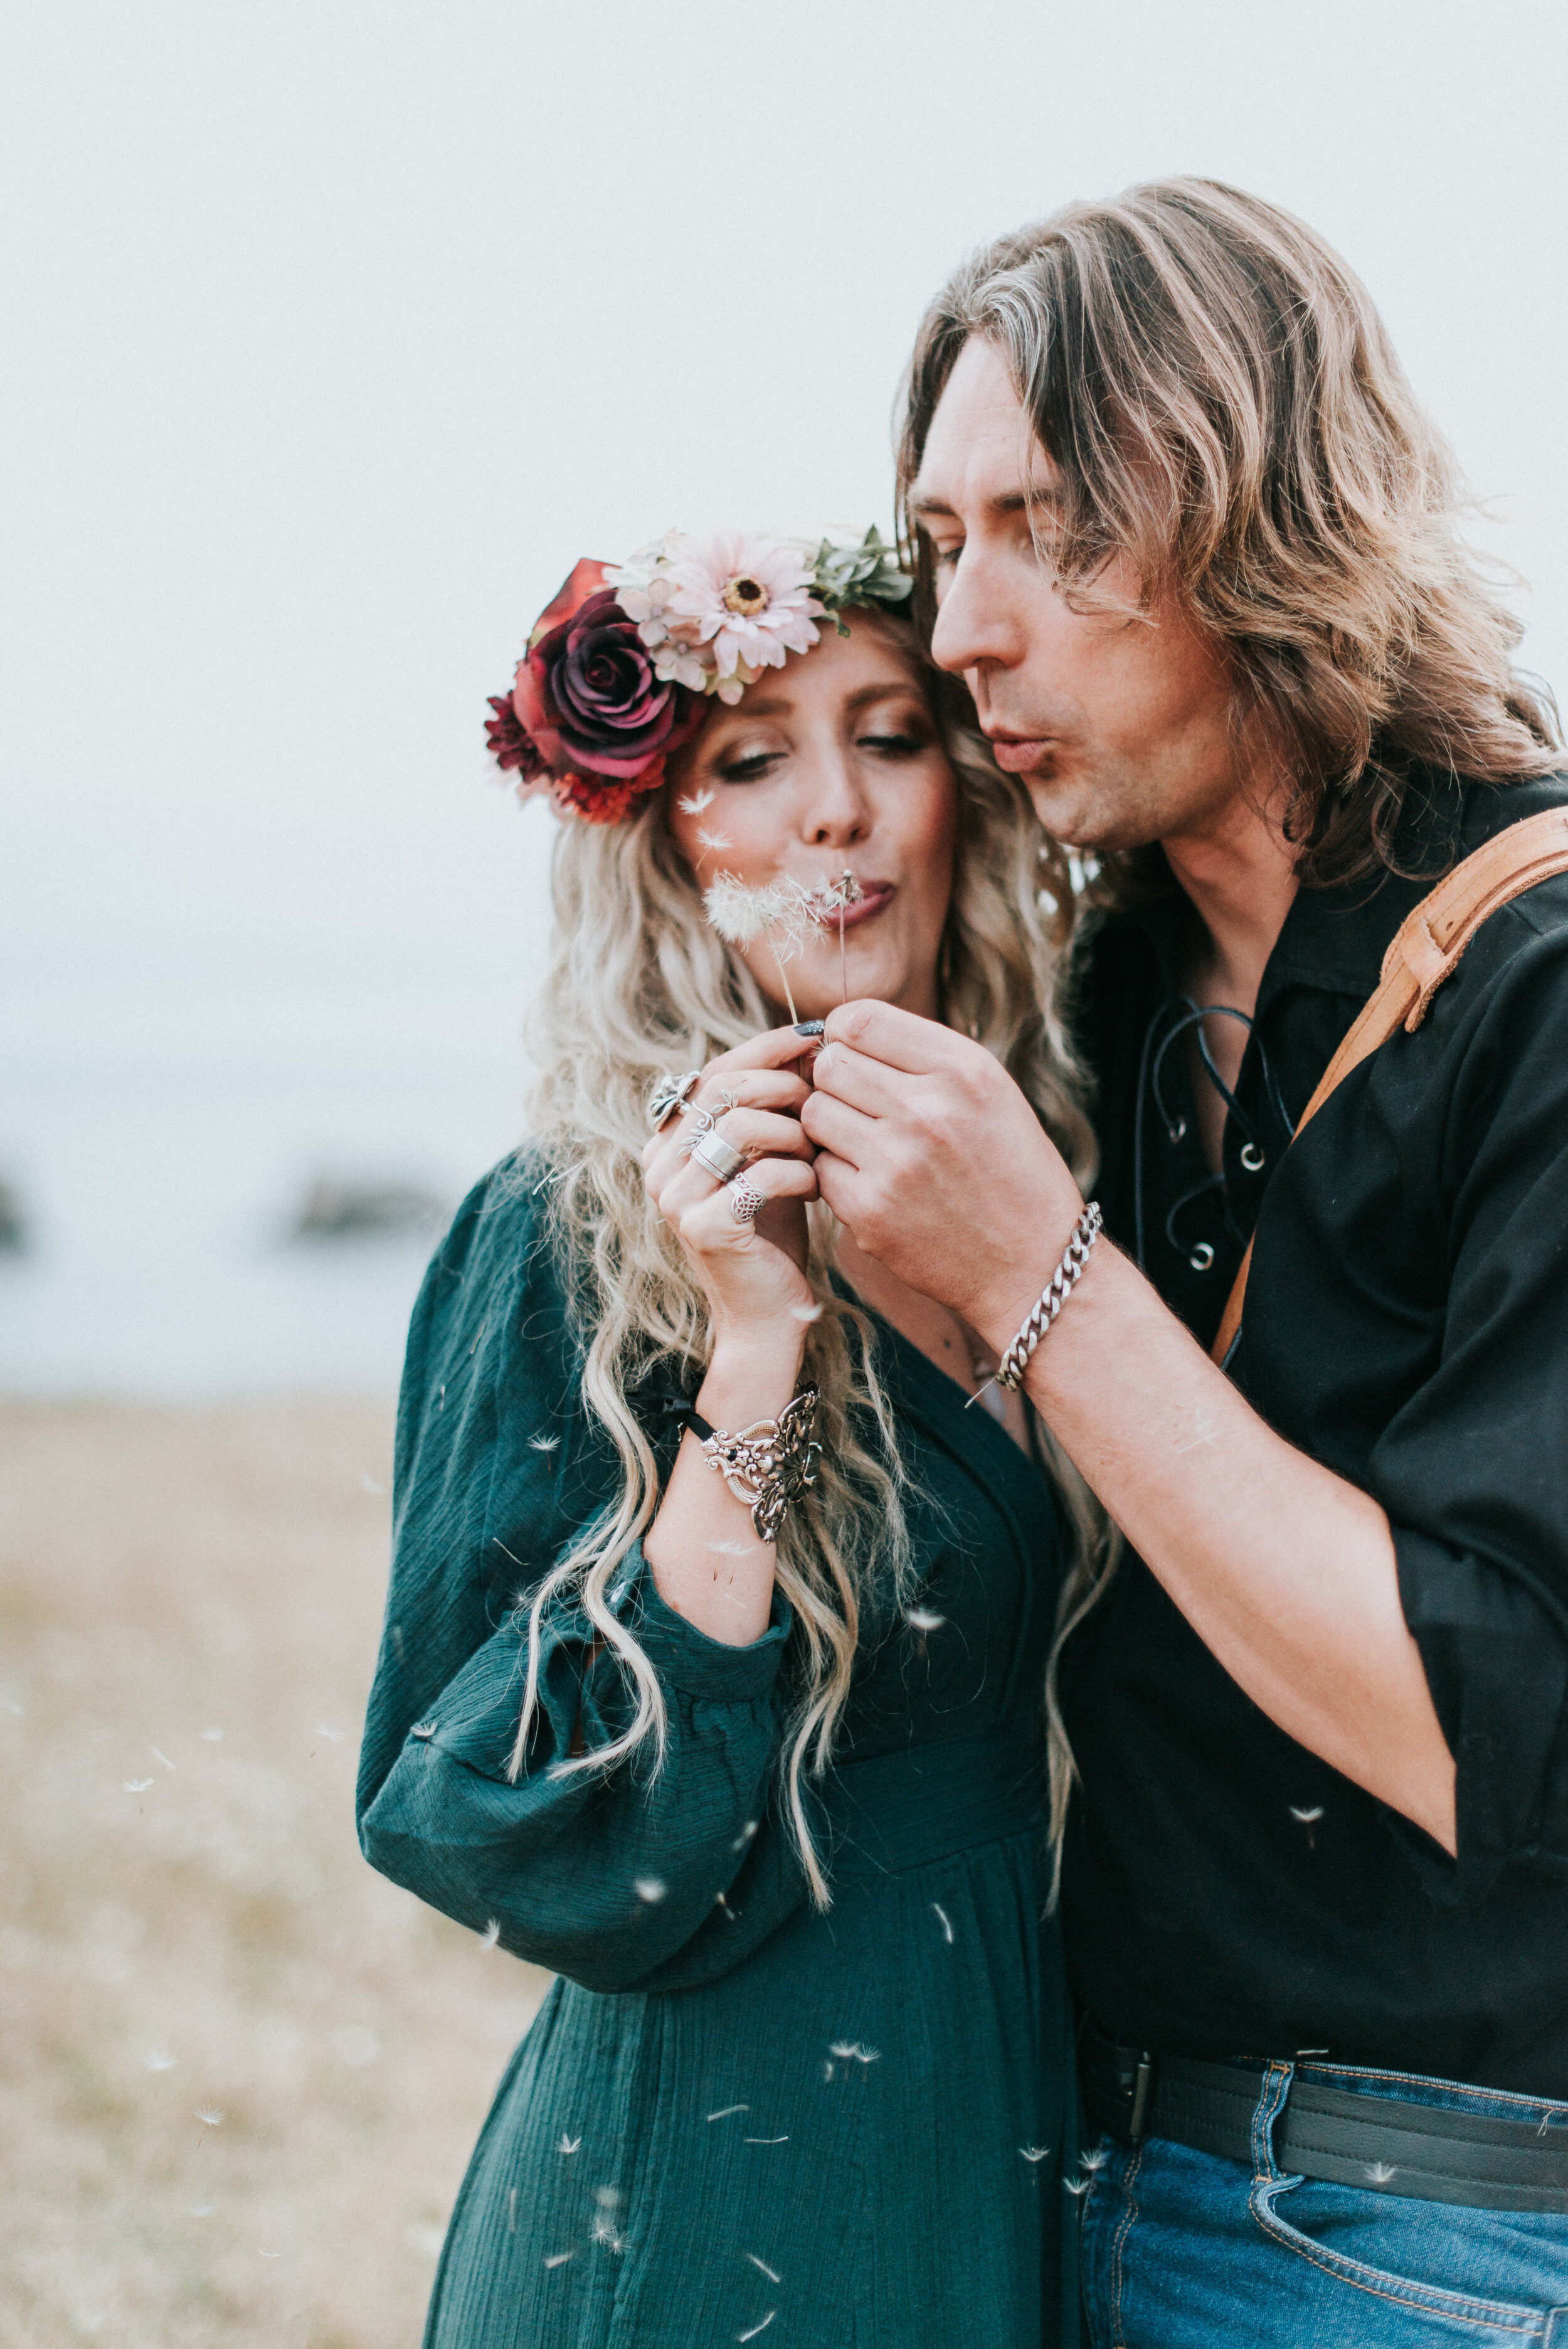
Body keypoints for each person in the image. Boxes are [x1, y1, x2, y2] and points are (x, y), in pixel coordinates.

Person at [799, 181, 1568, 2344]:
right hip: (1074, 2160)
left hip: (1423, 2235)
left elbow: (1479, 1733)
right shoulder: (1118, 983)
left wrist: (1040, 1273)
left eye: (1044, 525)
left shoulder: (1537, 983)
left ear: (1260, 513)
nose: (966, 627)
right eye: (940, 539)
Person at [356, 528, 1098, 2346]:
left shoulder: (1062, 1174)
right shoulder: (559, 1238)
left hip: (1014, 2123)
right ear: (666, 837)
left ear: (963, 785)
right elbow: (529, 1829)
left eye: (890, 733)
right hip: (708, 2177)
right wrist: (756, 1337)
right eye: (749, 761)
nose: (833, 811)